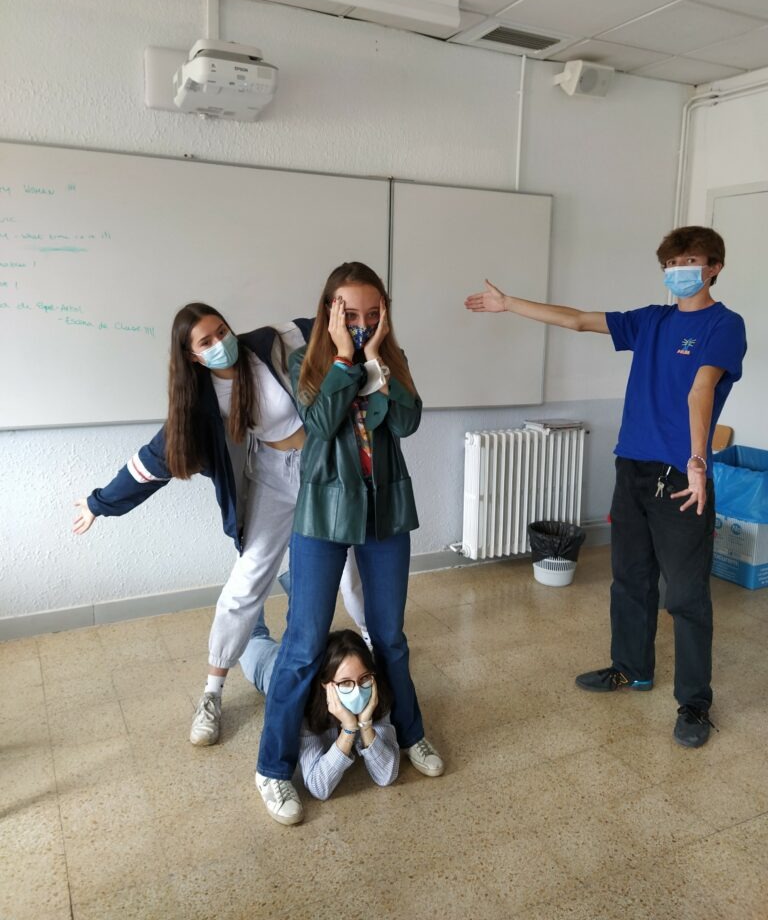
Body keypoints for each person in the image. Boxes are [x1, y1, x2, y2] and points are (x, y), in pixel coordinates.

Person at [465, 226, 747, 749]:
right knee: (630, 579)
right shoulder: (651, 320)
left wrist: (696, 461)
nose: (678, 271)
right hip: (632, 467)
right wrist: (509, 304)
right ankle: (631, 668)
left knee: (686, 595)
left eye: (689, 261)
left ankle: (694, 704)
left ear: (714, 267)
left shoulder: (724, 325)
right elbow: (576, 319)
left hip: (681, 478)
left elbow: (701, 389)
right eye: (670, 264)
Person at [72, 303, 367, 746]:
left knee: (352, 569)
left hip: (322, 466)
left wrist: (359, 321)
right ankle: (212, 692)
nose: (220, 344)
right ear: (191, 355)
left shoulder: (271, 343)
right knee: (246, 581)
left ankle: (373, 656)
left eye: (222, 331)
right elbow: (153, 461)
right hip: (271, 476)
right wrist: (99, 504)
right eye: (206, 342)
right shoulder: (199, 404)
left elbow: (331, 326)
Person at [254, 261, 444, 826]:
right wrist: (343, 357)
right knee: (303, 644)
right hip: (322, 511)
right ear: (330, 311)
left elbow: (406, 423)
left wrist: (378, 359)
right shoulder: (305, 361)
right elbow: (320, 423)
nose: (362, 324)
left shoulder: (392, 358)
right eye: (351, 314)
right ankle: (272, 769)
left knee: (389, 638)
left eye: (372, 314)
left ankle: (411, 734)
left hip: (385, 512)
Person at [240, 623, 398, 813]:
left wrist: (365, 726)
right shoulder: (303, 705)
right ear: (326, 684)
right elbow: (319, 787)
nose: (358, 691)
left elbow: (386, 775)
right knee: (250, 636)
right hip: (272, 668)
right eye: (345, 683)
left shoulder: (374, 693)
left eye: (363, 678)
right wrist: (349, 731)